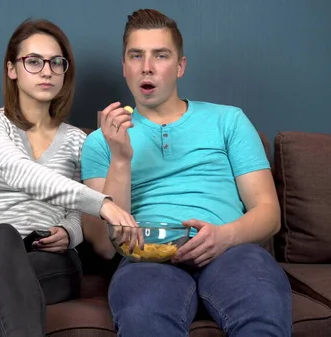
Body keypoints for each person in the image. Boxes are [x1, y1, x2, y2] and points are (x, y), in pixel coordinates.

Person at [80, 9, 293, 337]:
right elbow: (105, 246)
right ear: (124, 66)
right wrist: (120, 158)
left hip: (232, 252)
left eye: (160, 56)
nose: (147, 67)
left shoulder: (229, 121)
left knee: (262, 311)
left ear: (180, 66)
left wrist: (224, 237)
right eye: (136, 56)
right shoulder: (100, 141)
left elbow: (269, 214)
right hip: (147, 261)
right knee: (143, 319)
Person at [0, 18, 138, 337]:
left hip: (49, 261)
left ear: (65, 72)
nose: (47, 71)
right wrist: (103, 204)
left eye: (56, 63)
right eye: (33, 61)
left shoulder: (78, 140)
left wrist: (68, 232)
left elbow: (75, 214)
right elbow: (19, 172)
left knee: (15, 284)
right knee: (3, 235)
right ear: (12, 69)